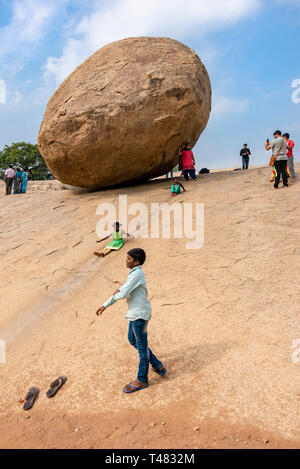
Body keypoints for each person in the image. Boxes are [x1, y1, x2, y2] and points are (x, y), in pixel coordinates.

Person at [96, 248, 166, 393]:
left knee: (141, 346)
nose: (126, 260)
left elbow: (122, 293)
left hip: (139, 316)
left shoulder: (137, 274)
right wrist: (106, 304)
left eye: (128, 258)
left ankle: (142, 379)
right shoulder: (134, 274)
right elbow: (124, 289)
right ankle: (157, 364)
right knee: (132, 339)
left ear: (136, 262)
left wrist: (117, 294)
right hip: (135, 314)